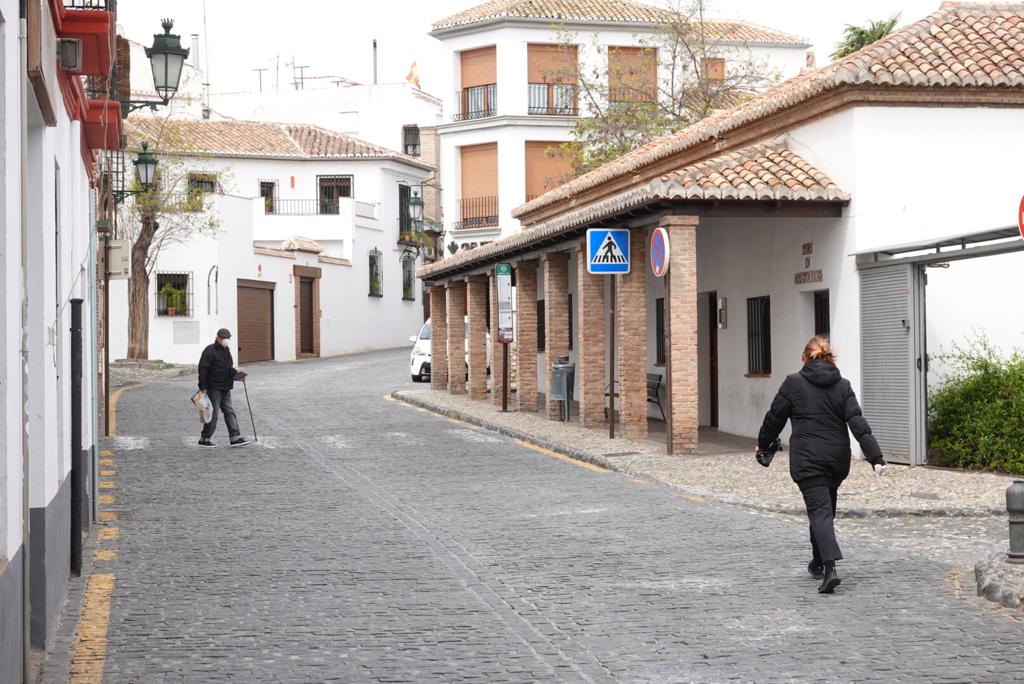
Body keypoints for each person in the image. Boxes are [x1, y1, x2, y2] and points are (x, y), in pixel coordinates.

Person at [756, 336, 887, 594]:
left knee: (819, 513)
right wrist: (876, 457)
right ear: (830, 359)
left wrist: (763, 444)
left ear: (805, 358)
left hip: (808, 460)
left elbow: (774, 418)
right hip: (836, 460)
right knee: (823, 511)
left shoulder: (793, 383)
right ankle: (817, 562)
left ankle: (830, 570)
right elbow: (857, 422)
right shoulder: (843, 386)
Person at [197, 328, 250, 448]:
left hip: (225, 387)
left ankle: (234, 437)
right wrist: (203, 387)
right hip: (213, 388)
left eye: (228, 338)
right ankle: (205, 438)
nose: (226, 340)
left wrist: (238, 375)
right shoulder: (209, 350)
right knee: (213, 413)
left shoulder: (226, 350)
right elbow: (202, 369)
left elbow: (228, 368)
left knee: (229, 411)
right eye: (224, 338)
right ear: (218, 338)